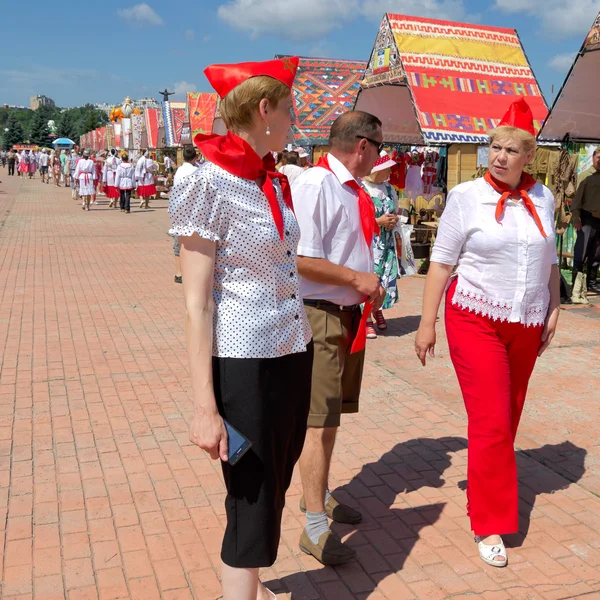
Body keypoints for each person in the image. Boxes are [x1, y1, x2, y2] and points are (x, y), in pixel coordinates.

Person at [169, 56, 312, 600]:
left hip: (290, 349)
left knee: (274, 481)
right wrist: (204, 406)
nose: (297, 118)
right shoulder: (206, 181)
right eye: (291, 106)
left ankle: (249, 586)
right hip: (244, 359)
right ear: (265, 108)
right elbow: (197, 303)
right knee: (250, 495)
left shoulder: (271, 180)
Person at [414, 98, 560, 568]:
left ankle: (485, 484)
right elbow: (441, 262)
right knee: (493, 420)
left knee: (508, 416)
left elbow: (550, 260)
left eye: (510, 149)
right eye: (494, 147)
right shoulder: (466, 196)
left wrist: (554, 307)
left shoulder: (544, 198)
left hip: (527, 319)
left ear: (528, 157)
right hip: (474, 317)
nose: (499, 156)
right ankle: (489, 519)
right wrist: (426, 321)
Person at [291, 111, 385, 565]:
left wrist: (366, 287)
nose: (382, 156)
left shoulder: (348, 188)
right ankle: (313, 525)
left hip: (345, 313)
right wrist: (356, 278)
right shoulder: (317, 184)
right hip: (321, 314)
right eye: (380, 147)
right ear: (363, 145)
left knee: (330, 420)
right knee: (317, 421)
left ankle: (321, 496)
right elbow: (300, 258)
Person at [362, 150, 400, 338]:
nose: (390, 173)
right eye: (387, 169)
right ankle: (366, 317)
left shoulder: (389, 189)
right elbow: (356, 220)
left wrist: (395, 220)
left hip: (386, 243)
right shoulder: (362, 188)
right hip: (369, 243)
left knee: (385, 276)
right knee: (371, 278)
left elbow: (396, 209)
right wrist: (378, 222)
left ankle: (378, 310)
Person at [570, 147, 600, 303]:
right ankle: (575, 291)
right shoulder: (585, 177)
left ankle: (586, 289)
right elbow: (576, 201)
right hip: (587, 219)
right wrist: (576, 218)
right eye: (598, 157)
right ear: (593, 157)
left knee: (595, 255)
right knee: (581, 253)